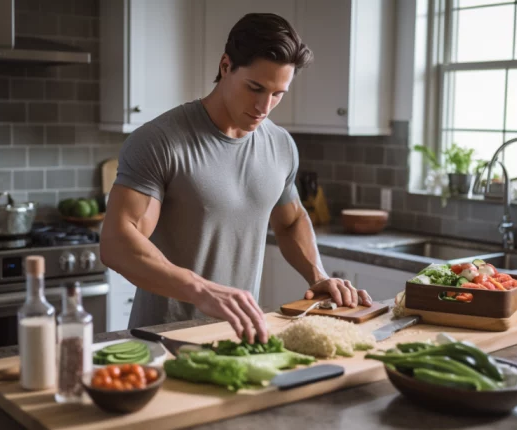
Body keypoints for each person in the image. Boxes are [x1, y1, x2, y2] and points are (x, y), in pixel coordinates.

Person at [100, 13, 373, 344]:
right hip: (162, 341)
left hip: (239, 339)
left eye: (278, 94)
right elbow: (117, 244)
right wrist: (201, 291)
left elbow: (290, 221)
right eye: (255, 88)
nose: (264, 106)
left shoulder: (281, 145)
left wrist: (317, 276)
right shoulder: (160, 141)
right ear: (226, 66)